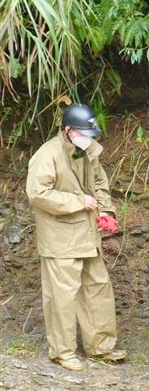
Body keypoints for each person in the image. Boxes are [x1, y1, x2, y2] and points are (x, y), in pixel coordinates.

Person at [24, 102, 126, 371]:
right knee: (62, 296)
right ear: (68, 130)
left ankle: (101, 348)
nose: (89, 139)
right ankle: (62, 351)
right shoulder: (48, 155)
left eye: (91, 134)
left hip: (88, 236)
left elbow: (100, 183)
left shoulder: (87, 149)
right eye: (84, 133)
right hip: (60, 239)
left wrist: (106, 211)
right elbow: (38, 194)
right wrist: (79, 201)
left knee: (98, 289)